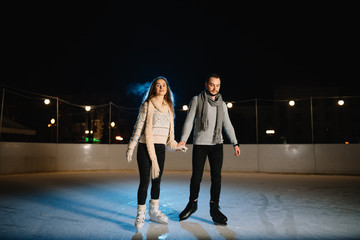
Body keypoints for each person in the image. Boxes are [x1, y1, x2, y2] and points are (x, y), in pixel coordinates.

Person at [178, 73, 241, 225]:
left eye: (218, 85)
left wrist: (235, 143)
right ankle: (192, 204)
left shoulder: (222, 104)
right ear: (206, 84)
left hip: (217, 144)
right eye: (212, 84)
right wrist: (183, 140)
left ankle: (214, 209)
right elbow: (189, 121)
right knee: (196, 177)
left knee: (216, 177)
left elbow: (228, 124)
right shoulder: (197, 100)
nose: (215, 88)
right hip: (200, 144)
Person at [126, 76, 187, 231]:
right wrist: (131, 146)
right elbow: (138, 127)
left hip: (160, 149)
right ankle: (140, 213)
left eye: (164, 85)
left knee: (157, 181)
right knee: (145, 182)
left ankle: (154, 212)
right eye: (158, 85)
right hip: (145, 147)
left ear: (167, 89)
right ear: (154, 88)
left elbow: (170, 138)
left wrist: (178, 146)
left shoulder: (169, 108)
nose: (161, 87)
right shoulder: (147, 105)